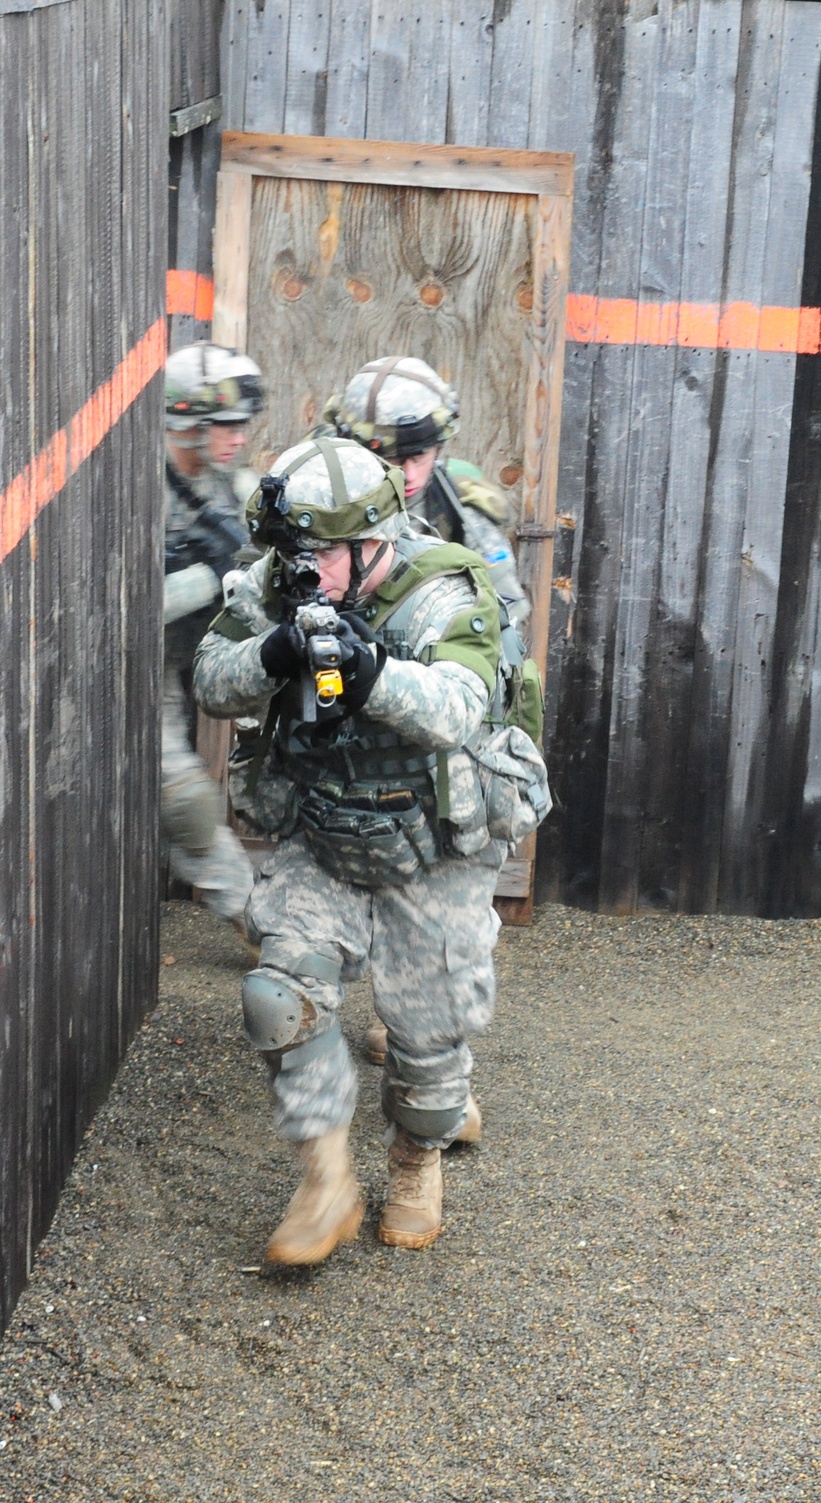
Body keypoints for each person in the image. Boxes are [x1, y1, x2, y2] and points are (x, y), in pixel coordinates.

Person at [192, 434, 533, 1261]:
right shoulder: (279, 583)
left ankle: (418, 1158)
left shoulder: (444, 589)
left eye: (324, 553)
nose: (304, 568)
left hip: (435, 842)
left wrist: (371, 671)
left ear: (375, 539)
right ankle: (325, 1178)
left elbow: (458, 705)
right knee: (279, 995)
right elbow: (210, 677)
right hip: (329, 828)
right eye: (294, 550)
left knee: (428, 1035)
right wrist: (271, 654)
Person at [320, 354, 530, 1063]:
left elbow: (508, 633)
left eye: (420, 455)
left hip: (451, 734)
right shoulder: (324, 507)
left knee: (450, 930)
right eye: (386, 457)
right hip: (354, 743)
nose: (407, 474)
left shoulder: (464, 516)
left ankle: (427, 1049)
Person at [162, 341, 265, 929]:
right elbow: (111, 609)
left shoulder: (232, 484)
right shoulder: (128, 489)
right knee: (186, 801)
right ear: (187, 423)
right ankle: (253, 919)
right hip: (135, 666)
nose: (239, 437)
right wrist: (210, 574)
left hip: (215, 654)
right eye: (225, 425)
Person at [319, 355, 529, 630]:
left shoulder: (457, 510)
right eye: (392, 459)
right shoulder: (316, 493)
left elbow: (507, 611)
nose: (410, 476)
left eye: (419, 457)